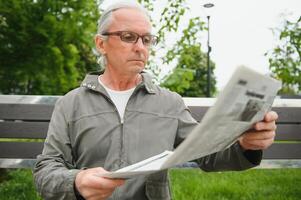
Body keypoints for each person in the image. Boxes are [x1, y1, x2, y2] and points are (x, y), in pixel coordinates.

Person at [33, 1, 278, 200]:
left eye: (147, 39)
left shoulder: (169, 103)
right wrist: (75, 182)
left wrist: (247, 145)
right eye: (129, 37)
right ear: (101, 43)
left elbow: (209, 155)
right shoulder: (70, 104)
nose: (141, 48)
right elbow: (46, 170)